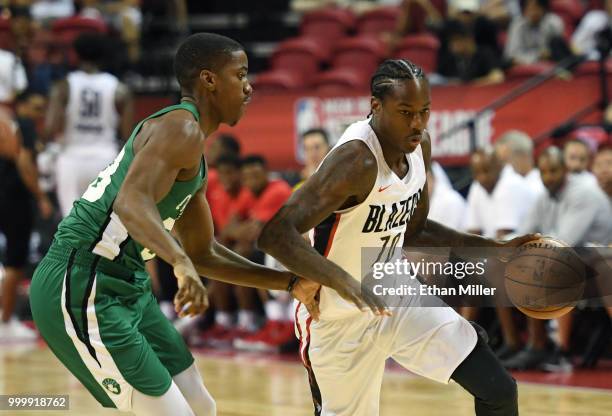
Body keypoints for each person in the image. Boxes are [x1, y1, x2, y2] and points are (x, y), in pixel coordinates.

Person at [29, 33, 378, 416]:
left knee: (200, 404)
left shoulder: (195, 154)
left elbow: (204, 254)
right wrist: (179, 264)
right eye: (240, 75)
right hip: (81, 283)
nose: (249, 87)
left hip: (126, 286)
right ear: (209, 80)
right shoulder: (180, 127)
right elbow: (131, 201)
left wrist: (290, 284)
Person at [259, 59, 536, 416]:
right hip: (339, 315)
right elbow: (276, 235)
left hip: (398, 294)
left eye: (424, 111)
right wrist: (340, 280)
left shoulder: (419, 147)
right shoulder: (355, 161)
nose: (418, 123)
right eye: (406, 112)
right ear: (376, 106)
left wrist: (496, 249)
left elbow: (416, 230)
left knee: (498, 389)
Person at [503, 147, 612, 371]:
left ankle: (560, 350)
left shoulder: (583, 193)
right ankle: (527, 345)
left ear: (565, 170)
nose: (548, 177)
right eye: (543, 172)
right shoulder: (545, 197)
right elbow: (524, 232)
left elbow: (565, 241)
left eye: (553, 171)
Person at [45, 33, 134, 217]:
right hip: (105, 157)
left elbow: (51, 126)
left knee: (71, 226)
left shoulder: (63, 86)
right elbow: (127, 134)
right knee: (103, 227)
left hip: (71, 158)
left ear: (76, 54)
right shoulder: (119, 88)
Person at [0, 91, 53, 341]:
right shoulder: (23, 126)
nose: (39, 113)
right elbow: (23, 161)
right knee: (15, 261)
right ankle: (6, 321)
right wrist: (41, 197)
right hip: (14, 198)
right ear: (20, 105)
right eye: (35, 107)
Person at [494, 129, 545, 196]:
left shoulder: (541, 186)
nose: (502, 168)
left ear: (523, 157)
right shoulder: (501, 186)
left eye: (504, 161)